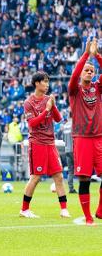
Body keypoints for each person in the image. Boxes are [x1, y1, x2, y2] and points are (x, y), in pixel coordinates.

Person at [20, 71, 70, 219]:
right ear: (37, 83)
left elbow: (58, 118)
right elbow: (32, 124)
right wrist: (47, 109)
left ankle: (64, 209)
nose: (47, 85)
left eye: (48, 82)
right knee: (36, 177)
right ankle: (24, 209)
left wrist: (52, 106)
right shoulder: (29, 102)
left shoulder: (49, 99)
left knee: (59, 176)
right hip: (37, 143)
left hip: (50, 143)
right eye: (45, 82)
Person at [68, 38, 102, 225]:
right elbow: (73, 76)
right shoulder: (75, 90)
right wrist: (86, 55)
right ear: (81, 73)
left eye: (92, 70)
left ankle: (99, 210)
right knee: (85, 179)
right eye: (86, 70)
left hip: (99, 138)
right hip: (82, 138)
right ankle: (88, 217)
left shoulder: (98, 88)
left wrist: (96, 55)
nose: (89, 72)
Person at [62, 114, 77, 194]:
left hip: (67, 149)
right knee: (81, 169)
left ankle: (71, 188)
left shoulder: (65, 126)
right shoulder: (74, 124)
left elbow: (63, 139)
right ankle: (83, 189)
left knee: (70, 170)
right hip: (75, 150)